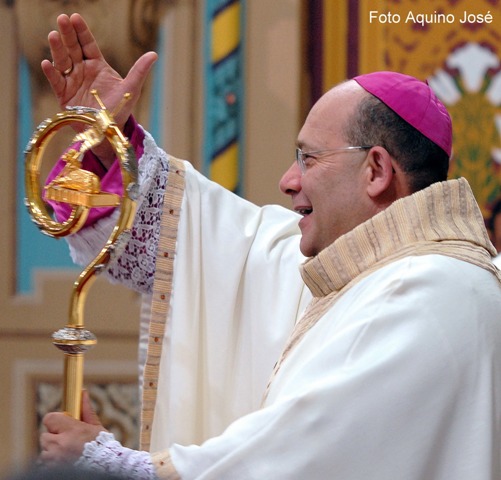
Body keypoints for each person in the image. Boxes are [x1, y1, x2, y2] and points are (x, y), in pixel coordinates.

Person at [38, 13, 501, 480]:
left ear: (376, 171)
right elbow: (199, 247)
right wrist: (109, 147)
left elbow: (303, 457)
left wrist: (114, 467)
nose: (288, 180)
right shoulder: (357, 272)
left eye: (308, 158)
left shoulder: (430, 291)